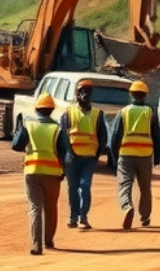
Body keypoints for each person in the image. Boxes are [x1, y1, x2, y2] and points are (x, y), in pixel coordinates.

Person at [15, 92, 67, 254]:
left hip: (32, 171)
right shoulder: (58, 129)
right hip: (53, 173)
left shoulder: (29, 125)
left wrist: (19, 128)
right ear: (52, 110)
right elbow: (65, 152)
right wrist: (64, 171)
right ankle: (48, 240)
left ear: (36, 109)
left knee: (35, 207)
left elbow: (16, 145)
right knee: (51, 207)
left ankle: (36, 244)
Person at [59, 79, 108, 230]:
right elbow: (62, 137)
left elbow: (103, 137)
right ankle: (73, 217)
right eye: (81, 91)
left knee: (85, 186)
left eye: (87, 91)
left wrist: (97, 154)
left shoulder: (98, 114)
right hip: (71, 158)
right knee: (72, 188)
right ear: (76, 93)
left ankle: (83, 217)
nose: (84, 94)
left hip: (89, 159)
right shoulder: (68, 114)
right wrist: (67, 153)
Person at [110, 80, 158, 229]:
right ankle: (144, 217)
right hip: (145, 155)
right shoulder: (150, 113)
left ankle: (127, 207)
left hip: (126, 154)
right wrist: (157, 157)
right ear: (145, 95)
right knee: (145, 187)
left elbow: (115, 136)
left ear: (131, 94)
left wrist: (114, 156)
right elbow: (157, 136)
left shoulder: (123, 112)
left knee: (125, 184)